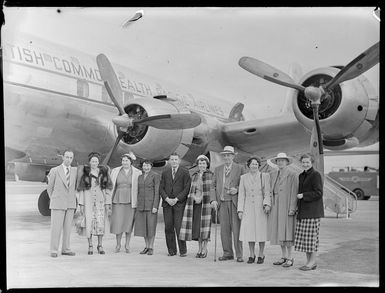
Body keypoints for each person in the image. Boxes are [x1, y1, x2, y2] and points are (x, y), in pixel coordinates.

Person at [210, 146, 246, 262]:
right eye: (224, 155)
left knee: (236, 230)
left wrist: (237, 189)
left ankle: (239, 254)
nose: (226, 157)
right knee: (224, 230)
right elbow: (213, 186)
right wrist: (213, 200)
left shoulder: (240, 168)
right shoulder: (218, 169)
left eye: (229, 155)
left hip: (234, 203)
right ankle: (227, 253)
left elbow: (245, 185)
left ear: (233, 156)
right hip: (222, 202)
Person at [76, 152, 113, 255]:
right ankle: (90, 245)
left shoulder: (104, 173)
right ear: (89, 162)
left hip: (101, 202)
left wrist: (107, 203)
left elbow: (108, 189)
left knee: (100, 225)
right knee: (89, 224)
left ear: (98, 162)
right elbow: (82, 190)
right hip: (89, 203)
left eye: (96, 161)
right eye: (93, 161)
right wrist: (81, 204)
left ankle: (100, 245)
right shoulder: (85, 174)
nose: (94, 163)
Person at [238, 156, 271, 264]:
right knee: (250, 231)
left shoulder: (264, 176)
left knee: (261, 231)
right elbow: (241, 194)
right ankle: (252, 254)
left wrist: (267, 204)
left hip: (260, 206)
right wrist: (240, 210)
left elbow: (267, 192)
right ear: (248, 166)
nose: (254, 166)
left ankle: (261, 254)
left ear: (259, 166)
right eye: (252, 164)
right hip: (248, 207)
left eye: (256, 164)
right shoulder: (243, 177)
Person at [268, 152, 298, 268]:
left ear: (286, 162)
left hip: (287, 206)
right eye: (278, 160)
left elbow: (294, 192)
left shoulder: (292, 174)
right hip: (277, 205)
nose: (280, 162)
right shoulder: (274, 174)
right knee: (280, 231)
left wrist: (292, 208)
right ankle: (283, 256)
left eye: (282, 160)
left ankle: (290, 257)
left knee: (288, 231)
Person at [179, 155, 213, 258]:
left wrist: (201, 197)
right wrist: (193, 197)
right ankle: (199, 248)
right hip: (196, 204)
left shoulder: (211, 175)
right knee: (197, 227)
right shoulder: (194, 175)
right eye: (200, 163)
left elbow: (210, 190)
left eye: (204, 163)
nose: (202, 165)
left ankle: (204, 248)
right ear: (197, 165)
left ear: (207, 165)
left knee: (205, 227)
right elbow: (191, 189)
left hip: (206, 204)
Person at [295, 153, 324, 271]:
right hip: (303, 211)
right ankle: (309, 262)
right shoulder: (302, 175)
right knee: (305, 239)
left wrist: (304, 195)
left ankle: (312, 262)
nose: (305, 164)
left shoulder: (315, 175)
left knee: (311, 239)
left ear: (312, 163)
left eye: (307, 162)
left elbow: (319, 193)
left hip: (312, 212)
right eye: (303, 162)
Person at [46, 149, 78, 258]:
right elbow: (49, 188)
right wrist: (54, 199)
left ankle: (66, 249)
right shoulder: (55, 170)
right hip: (58, 203)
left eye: (71, 158)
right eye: (67, 157)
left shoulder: (75, 171)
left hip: (70, 204)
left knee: (68, 228)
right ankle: (54, 250)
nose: (69, 159)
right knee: (56, 228)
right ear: (63, 157)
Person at [160, 153, 191, 257]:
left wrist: (177, 199)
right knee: (168, 227)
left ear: (179, 161)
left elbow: (187, 188)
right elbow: (161, 188)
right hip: (167, 203)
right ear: (169, 161)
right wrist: (167, 199)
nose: (174, 161)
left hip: (179, 204)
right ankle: (171, 250)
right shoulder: (165, 172)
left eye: (175, 159)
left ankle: (183, 251)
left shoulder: (185, 172)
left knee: (179, 227)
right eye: (172, 159)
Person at [110, 152, 142, 253]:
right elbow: (112, 186)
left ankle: (127, 244)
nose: (124, 162)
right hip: (118, 199)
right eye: (123, 160)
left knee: (128, 224)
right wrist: (109, 201)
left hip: (130, 200)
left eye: (126, 160)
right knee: (118, 223)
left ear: (130, 162)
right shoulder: (115, 171)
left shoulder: (137, 172)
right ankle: (118, 244)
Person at [134, 160, 161, 255]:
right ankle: (146, 246)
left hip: (151, 206)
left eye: (148, 166)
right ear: (142, 167)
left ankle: (151, 247)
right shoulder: (140, 177)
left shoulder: (155, 175)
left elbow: (157, 192)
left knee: (151, 227)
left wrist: (155, 206)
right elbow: (138, 191)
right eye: (144, 166)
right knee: (143, 228)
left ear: (151, 166)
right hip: (141, 205)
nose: (146, 167)